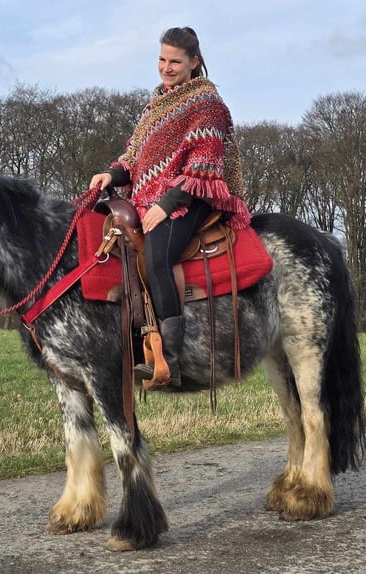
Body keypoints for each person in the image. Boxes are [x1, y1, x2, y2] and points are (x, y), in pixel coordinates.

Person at [89, 26, 251, 390]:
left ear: (194, 62)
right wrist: (110, 175)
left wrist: (166, 205)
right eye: (162, 59)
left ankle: (170, 363)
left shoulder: (208, 105)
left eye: (175, 61)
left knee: (158, 257)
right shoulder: (156, 104)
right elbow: (134, 157)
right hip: (150, 197)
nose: (166, 67)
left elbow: (204, 165)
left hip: (191, 198)